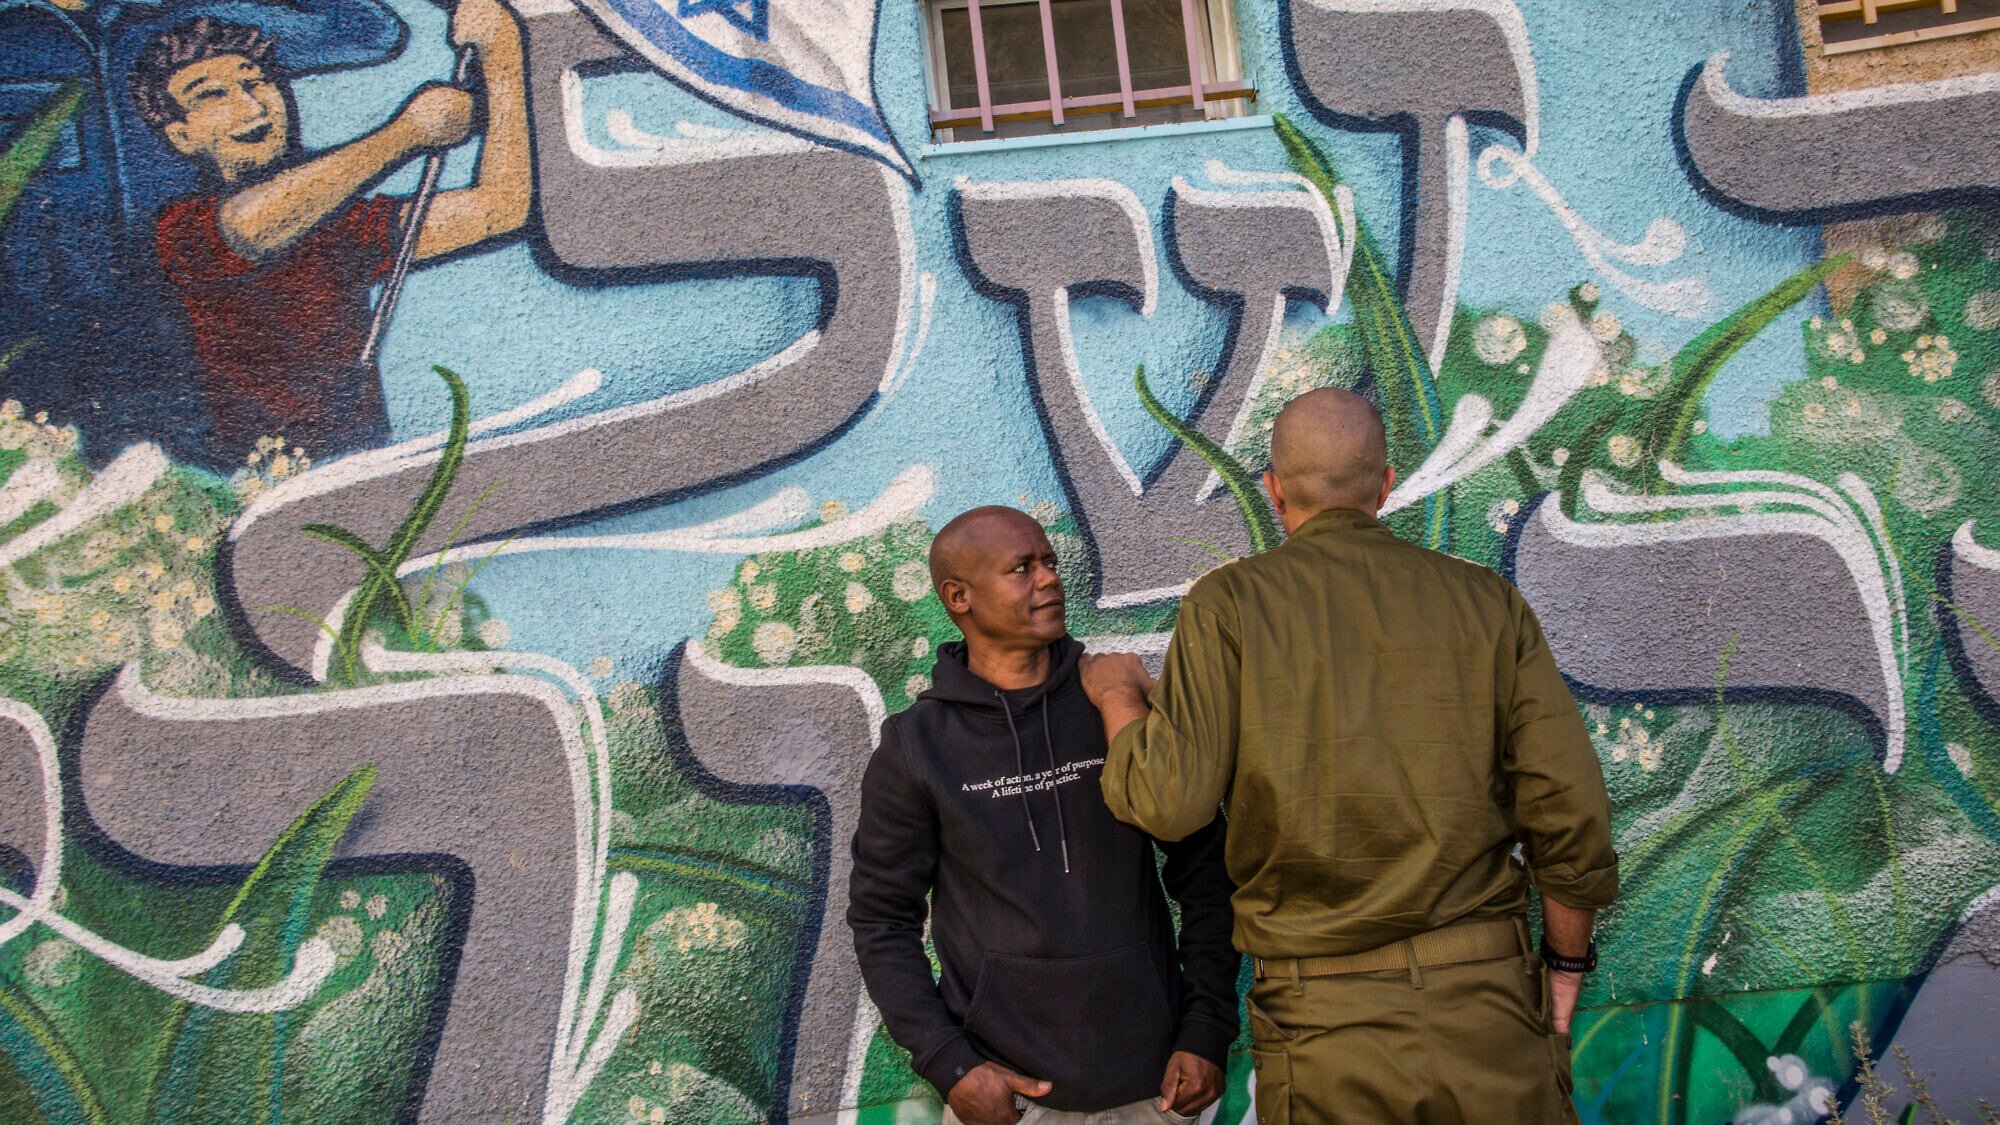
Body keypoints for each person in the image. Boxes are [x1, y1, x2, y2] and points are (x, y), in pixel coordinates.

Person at [1083, 388, 1619, 1123]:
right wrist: (1564, 965)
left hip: (1323, 1030)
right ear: (1386, 484)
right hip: (1489, 1009)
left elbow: (1169, 803)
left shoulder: (1229, 605)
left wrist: (1118, 697)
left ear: (1272, 489)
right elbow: (1569, 810)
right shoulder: (1485, 602)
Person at [848, 506, 1241, 1125]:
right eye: (1021, 568)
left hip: (1155, 1088)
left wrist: (1208, 1027)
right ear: (959, 597)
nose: (1049, 579)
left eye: (1050, 563)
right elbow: (881, 920)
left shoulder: (1115, 709)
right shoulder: (916, 747)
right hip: (1013, 1100)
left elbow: (1206, 873)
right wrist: (950, 1064)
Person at [129, 0, 529, 459]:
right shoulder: (182, 231)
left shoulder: (337, 226)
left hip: (350, 467)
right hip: (240, 481)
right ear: (181, 136)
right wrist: (407, 133)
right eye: (211, 95)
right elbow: (253, 227)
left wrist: (503, 51)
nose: (251, 104)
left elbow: (498, 209)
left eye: (255, 81)